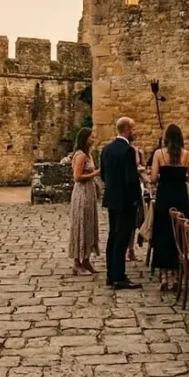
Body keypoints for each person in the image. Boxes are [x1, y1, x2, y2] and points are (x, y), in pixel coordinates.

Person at [149, 124, 189, 290]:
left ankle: (163, 275)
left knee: (163, 234)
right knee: (179, 234)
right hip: (180, 198)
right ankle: (177, 275)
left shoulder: (159, 154)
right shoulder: (187, 155)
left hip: (164, 198)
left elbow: (153, 178)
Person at [100, 117, 143, 289]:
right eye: (133, 129)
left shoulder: (107, 149)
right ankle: (119, 276)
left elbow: (103, 174)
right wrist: (136, 200)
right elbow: (131, 179)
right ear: (126, 130)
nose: (135, 132)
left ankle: (111, 274)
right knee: (122, 238)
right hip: (125, 201)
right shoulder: (128, 151)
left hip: (112, 198)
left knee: (112, 236)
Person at [67, 128, 101, 276]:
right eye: (91, 137)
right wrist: (96, 173)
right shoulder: (80, 156)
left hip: (90, 192)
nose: (93, 139)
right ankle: (77, 262)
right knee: (80, 225)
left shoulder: (89, 154)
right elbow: (77, 177)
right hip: (82, 192)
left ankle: (86, 259)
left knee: (89, 224)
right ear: (85, 139)